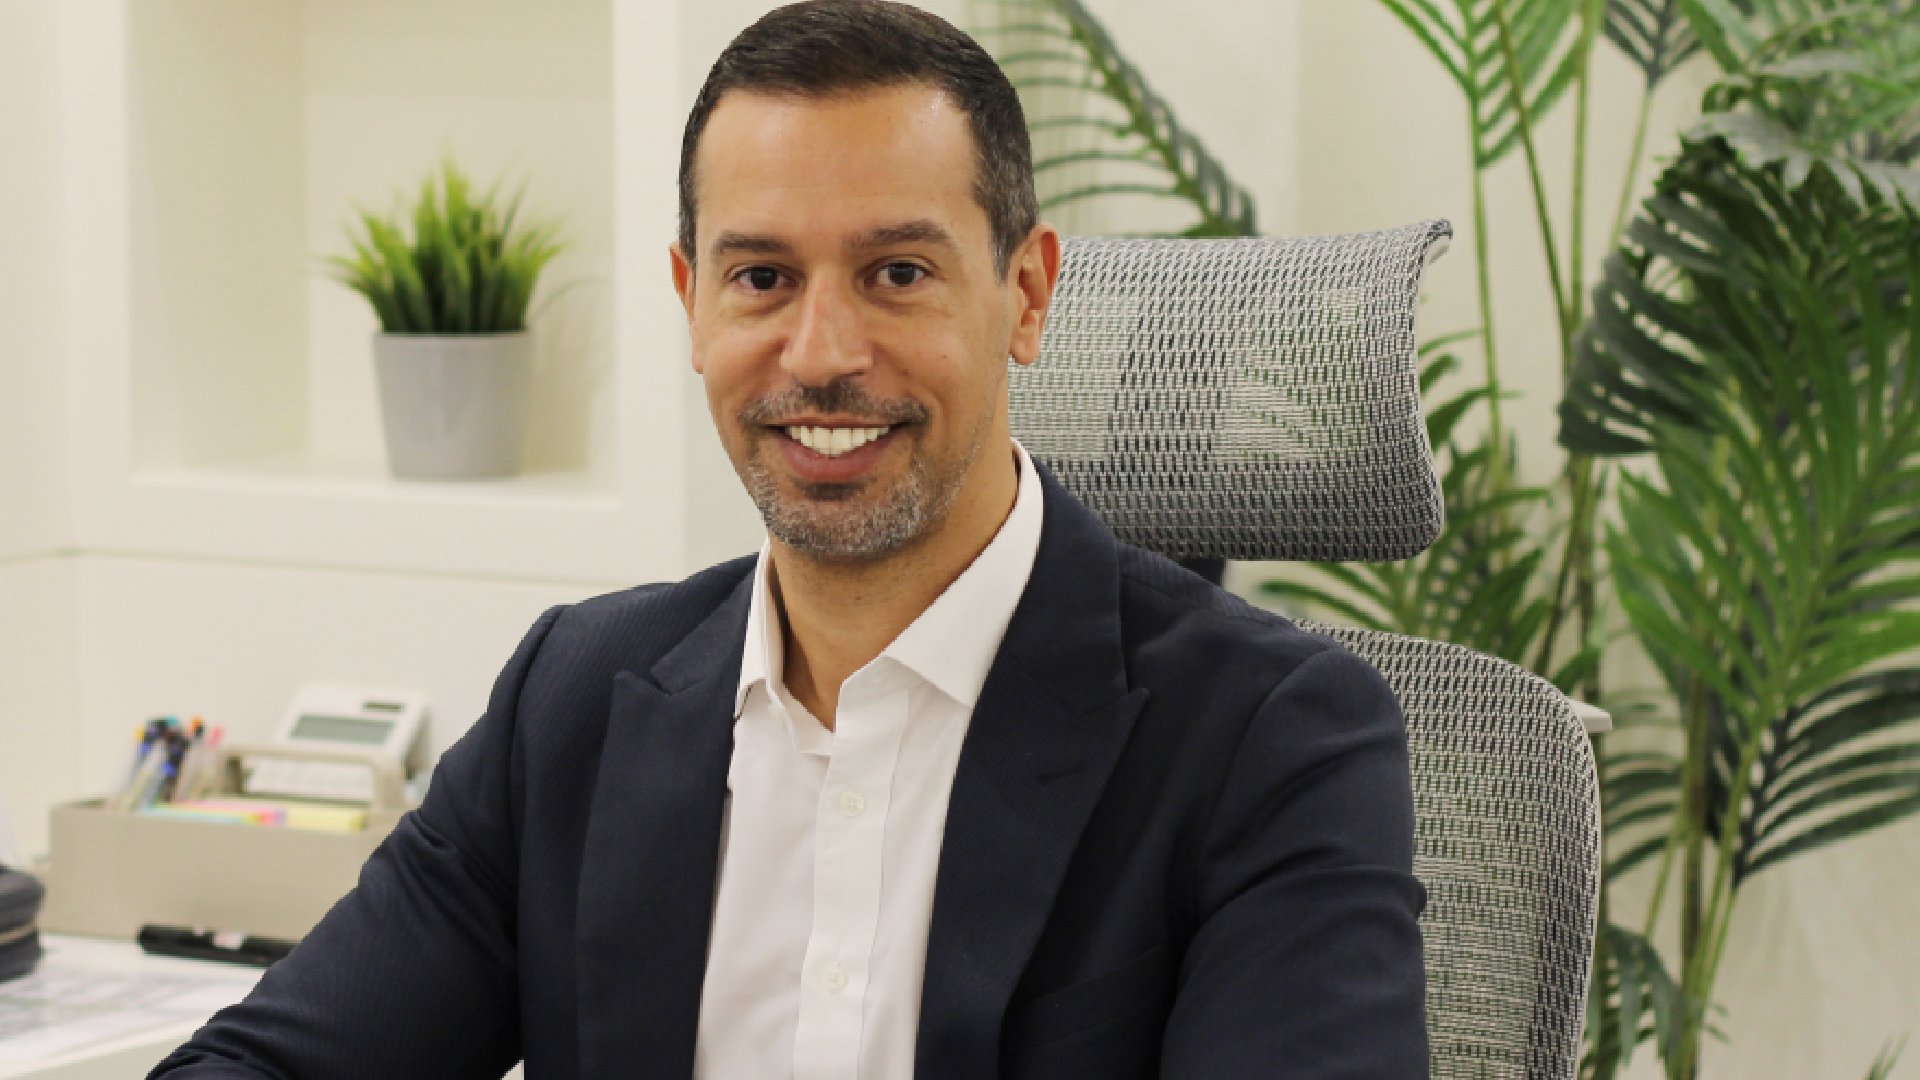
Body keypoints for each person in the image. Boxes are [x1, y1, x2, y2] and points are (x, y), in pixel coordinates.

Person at [152, 2, 1427, 1077]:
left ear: (1027, 295)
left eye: (897, 273)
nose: (821, 354)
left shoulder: (1271, 741)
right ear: (692, 303)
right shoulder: (574, 700)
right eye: (761, 277)